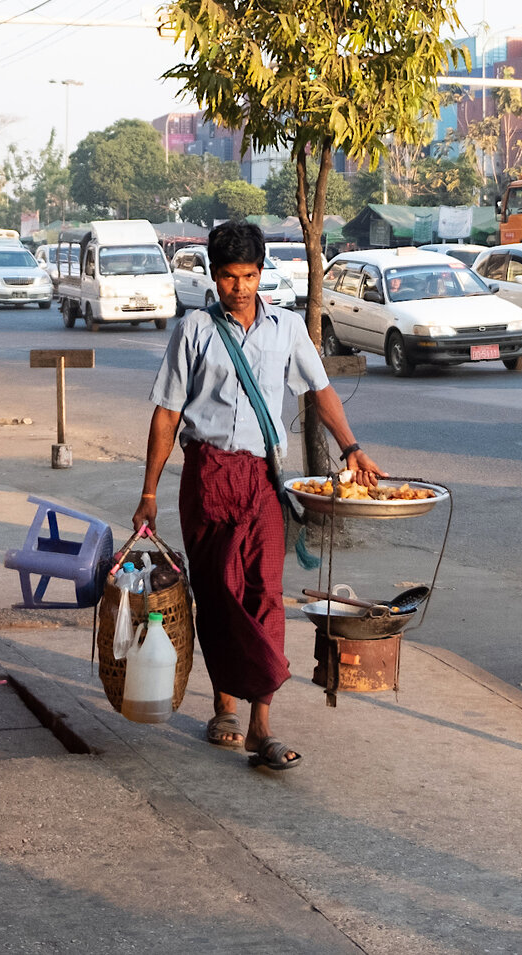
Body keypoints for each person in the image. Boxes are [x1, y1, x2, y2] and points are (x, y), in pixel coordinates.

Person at [136, 220, 380, 774]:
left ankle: (260, 725)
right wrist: (148, 489)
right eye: (228, 277)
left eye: (248, 275)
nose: (239, 288)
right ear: (212, 276)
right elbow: (167, 413)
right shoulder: (194, 330)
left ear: (262, 273)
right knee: (218, 592)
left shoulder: (288, 328)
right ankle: (223, 704)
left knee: (265, 593)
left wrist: (353, 448)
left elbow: (320, 391)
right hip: (206, 475)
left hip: (264, 480)